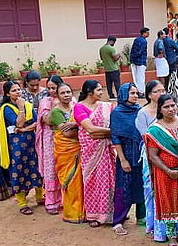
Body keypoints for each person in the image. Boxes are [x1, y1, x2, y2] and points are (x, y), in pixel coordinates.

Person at [138, 81, 178, 242]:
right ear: (159, 109)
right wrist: (168, 171)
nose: (171, 109)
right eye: (166, 107)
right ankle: (171, 235)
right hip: (164, 172)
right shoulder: (155, 129)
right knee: (168, 202)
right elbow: (152, 155)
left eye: (173, 105)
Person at [73, 79, 115, 227]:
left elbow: (112, 123)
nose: (101, 92)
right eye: (98, 90)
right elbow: (90, 129)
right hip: (90, 151)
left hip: (107, 149)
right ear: (89, 92)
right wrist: (112, 132)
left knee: (110, 180)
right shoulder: (79, 108)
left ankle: (111, 213)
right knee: (92, 182)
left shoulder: (106, 106)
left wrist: (105, 133)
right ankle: (94, 215)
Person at [0, 80, 44, 214]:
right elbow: (18, 123)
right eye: (14, 90)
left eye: (18, 89)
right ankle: (22, 203)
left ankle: (39, 196)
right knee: (19, 171)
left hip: (31, 142)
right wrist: (21, 108)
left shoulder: (28, 105)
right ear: (7, 93)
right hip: (16, 145)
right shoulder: (6, 108)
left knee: (35, 168)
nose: (17, 92)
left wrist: (25, 130)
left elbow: (37, 123)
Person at [111, 83, 144, 236]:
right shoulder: (117, 112)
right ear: (124, 94)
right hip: (126, 154)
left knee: (142, 185)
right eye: (132, 93)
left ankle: (142, 218)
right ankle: (118, 221)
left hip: (140, 154)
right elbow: (115, 137)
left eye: (136, 93)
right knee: (123, 188)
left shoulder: (139, 110)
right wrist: (123, 159)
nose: (135, 96)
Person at [49, 82, 84, 224]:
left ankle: (84, 212)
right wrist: (83, 128)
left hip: (79, 149)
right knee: (71, 182)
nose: (66, 95)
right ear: (57, 95)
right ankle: (72, 213)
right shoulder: (56, 112)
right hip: (66, 150)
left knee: (80, 181)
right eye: (63, 93)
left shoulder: (76, 107)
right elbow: (67, 133)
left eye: (68, 92)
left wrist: (77, 125)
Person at [35, 75, 63, 214]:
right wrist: (57, 106)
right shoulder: (45, 101)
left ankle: (66, 200)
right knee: (51, 169)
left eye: (54, 88)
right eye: (49, 88)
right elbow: (47, 120)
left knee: (64, 168)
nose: (51, 91)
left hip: (67, 139)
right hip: (49, 138)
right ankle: (52, 201)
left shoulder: (70, 98)